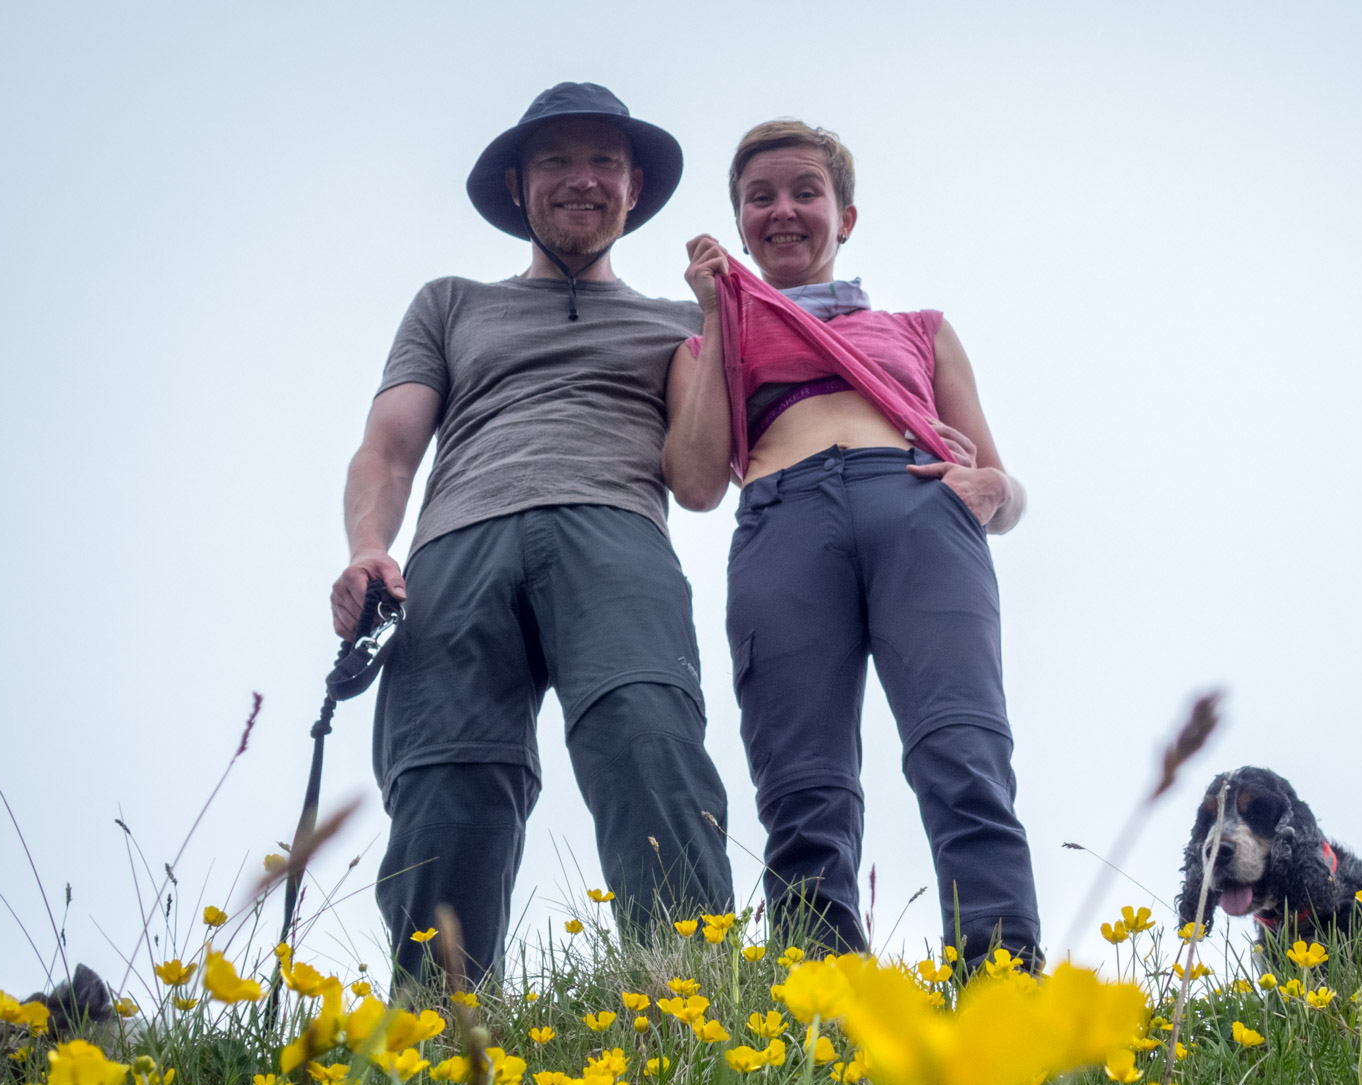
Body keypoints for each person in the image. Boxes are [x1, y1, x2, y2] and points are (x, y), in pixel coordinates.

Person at [332, 83, 735, 986]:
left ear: (635, 189)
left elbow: (700, 482)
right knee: (444, 782)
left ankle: (697, 999)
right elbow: (388, 450)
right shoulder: (449, 303)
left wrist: (717, 326)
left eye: (604, 163)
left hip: (616, 531)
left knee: (648, 736)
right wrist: (368, 547)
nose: (581, 180)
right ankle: (437, 1035)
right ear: (518, 186)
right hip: (454, 548)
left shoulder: (679, 325)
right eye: (556, 161)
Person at [663, 119, 1040, 968]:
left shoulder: (920, 328)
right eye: (760, 198)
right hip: (781, 516)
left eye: (806, 192)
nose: (783, 211)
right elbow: (692, 484)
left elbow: (1005, 490)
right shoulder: (700, 344)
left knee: (962, 749)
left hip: (915, 507)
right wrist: (720, 317)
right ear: (740, 220)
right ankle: (821, 1011)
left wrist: (994, 491)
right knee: (802, 783)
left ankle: (1004, 985)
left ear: (847, 216)